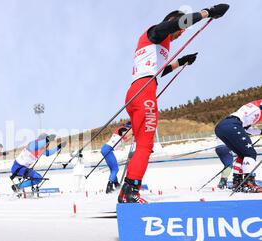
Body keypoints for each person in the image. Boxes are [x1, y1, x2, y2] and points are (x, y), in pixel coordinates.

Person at [118, 4, 230, 204]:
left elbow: (159, 70)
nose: (181, 33)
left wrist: (182, 61)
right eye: (180, 29)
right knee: (145, 144)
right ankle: (130, 190)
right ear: (172, 22)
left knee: (141, 143)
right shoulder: (156, 32)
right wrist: (207, 12)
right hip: (144, 92)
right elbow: (174, 24)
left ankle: (128, 188)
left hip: (137, 91)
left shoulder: (156, 44)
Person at [215, 99, 262, 193]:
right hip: (233, 124)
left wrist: (260, 132)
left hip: (222, 126)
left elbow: (246, 130)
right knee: (250, 154)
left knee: (242, 155)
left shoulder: (251, 113)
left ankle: (237, 181)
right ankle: (249, 183)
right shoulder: (258, 107)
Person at [102, 122, 132, 193]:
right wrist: (135, 130)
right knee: (115, 169)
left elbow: (126, 138)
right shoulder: (122, 129)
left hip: (106, 149)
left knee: (113, 169)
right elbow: (124, 133)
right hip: (108, 149)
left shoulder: (123, 132)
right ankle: (109, 185)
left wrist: (134, 134)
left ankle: (116, 184)